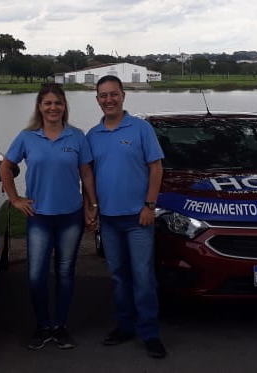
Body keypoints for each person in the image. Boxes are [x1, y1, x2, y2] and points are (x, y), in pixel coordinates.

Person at [0, 83, 98, 350]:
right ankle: (42, 325)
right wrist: (15, 199)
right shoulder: (27, 137)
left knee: (65, 272)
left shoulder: (77, 137)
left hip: (70, 217)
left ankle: (61, 326)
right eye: (48, 103)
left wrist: (92, 205)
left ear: (64, 106)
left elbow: (86, 174)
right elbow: (6, 167)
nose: (53, 108)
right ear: (40, 107)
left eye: (58, 103)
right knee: (36, 275)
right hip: (39, 217)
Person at [86, 75, 166, 359]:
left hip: (138, 219)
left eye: (114, 94)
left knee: (143, 276)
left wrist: (149, 205)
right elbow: (88, 176)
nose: (109, 100)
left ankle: (150, 332)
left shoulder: (141, 129)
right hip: (109, 220)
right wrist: (91, 207)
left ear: (123, 96)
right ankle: (125, 326)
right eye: (103, 95)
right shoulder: (92, 136)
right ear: (97, 99)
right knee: (119, 277)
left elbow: (156, 168)